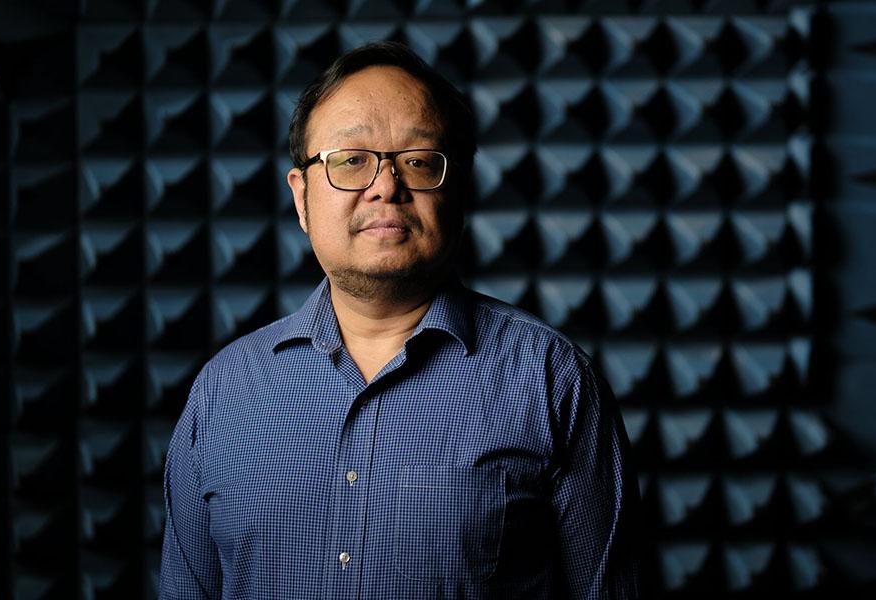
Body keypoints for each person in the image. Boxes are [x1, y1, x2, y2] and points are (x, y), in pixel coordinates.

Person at [158, 41, 643, 599]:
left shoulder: (551, 380)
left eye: (417, 160)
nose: (386, 185)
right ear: (301, 197)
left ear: (458, 190)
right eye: (350, 160)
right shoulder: (224, 390)